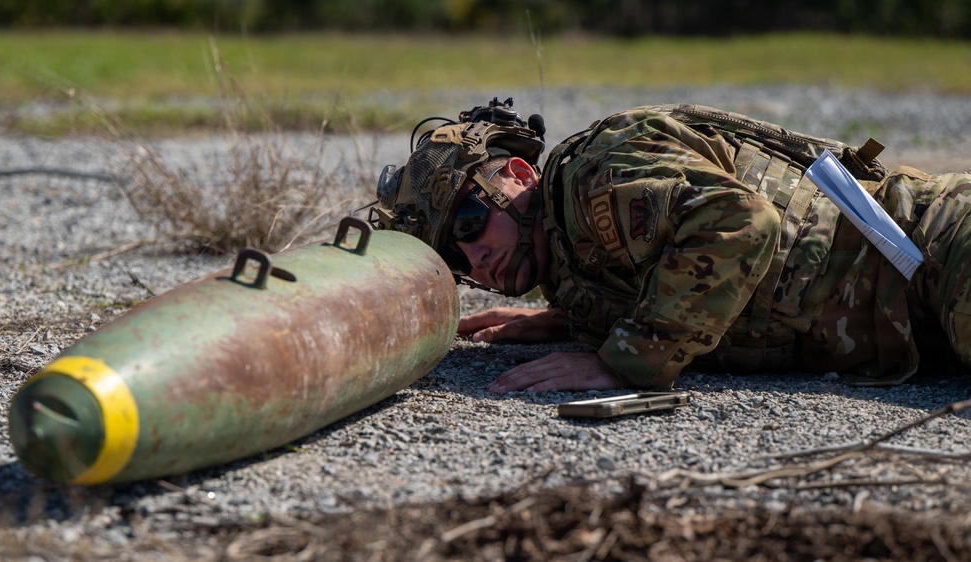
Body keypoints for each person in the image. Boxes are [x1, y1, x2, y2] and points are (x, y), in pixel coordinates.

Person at [369, 98, 971, 393]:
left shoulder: (590, 180)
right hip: (917, 319)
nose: (474, 259)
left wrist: (623, 358)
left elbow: (740, 223)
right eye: (454, 254)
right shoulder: (571, 259)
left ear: (519, 177)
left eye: (471, 222)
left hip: (935, 248)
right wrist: (568, 320)